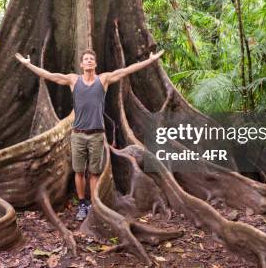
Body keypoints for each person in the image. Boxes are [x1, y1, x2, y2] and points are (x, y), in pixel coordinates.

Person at [15, 48, 164, 221]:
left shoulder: (104, 79)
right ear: (81, 64)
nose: (88, 61)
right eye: (85, 59)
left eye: (91, 59)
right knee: (79, 172)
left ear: (95, 63)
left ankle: (94, 204)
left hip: (97, 135)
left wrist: (150, 61)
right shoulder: (73, 80)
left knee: (94, 173)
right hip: (78, 134)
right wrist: (28, 65)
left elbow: (125, 71)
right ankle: (82, 204)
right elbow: (50, 75)